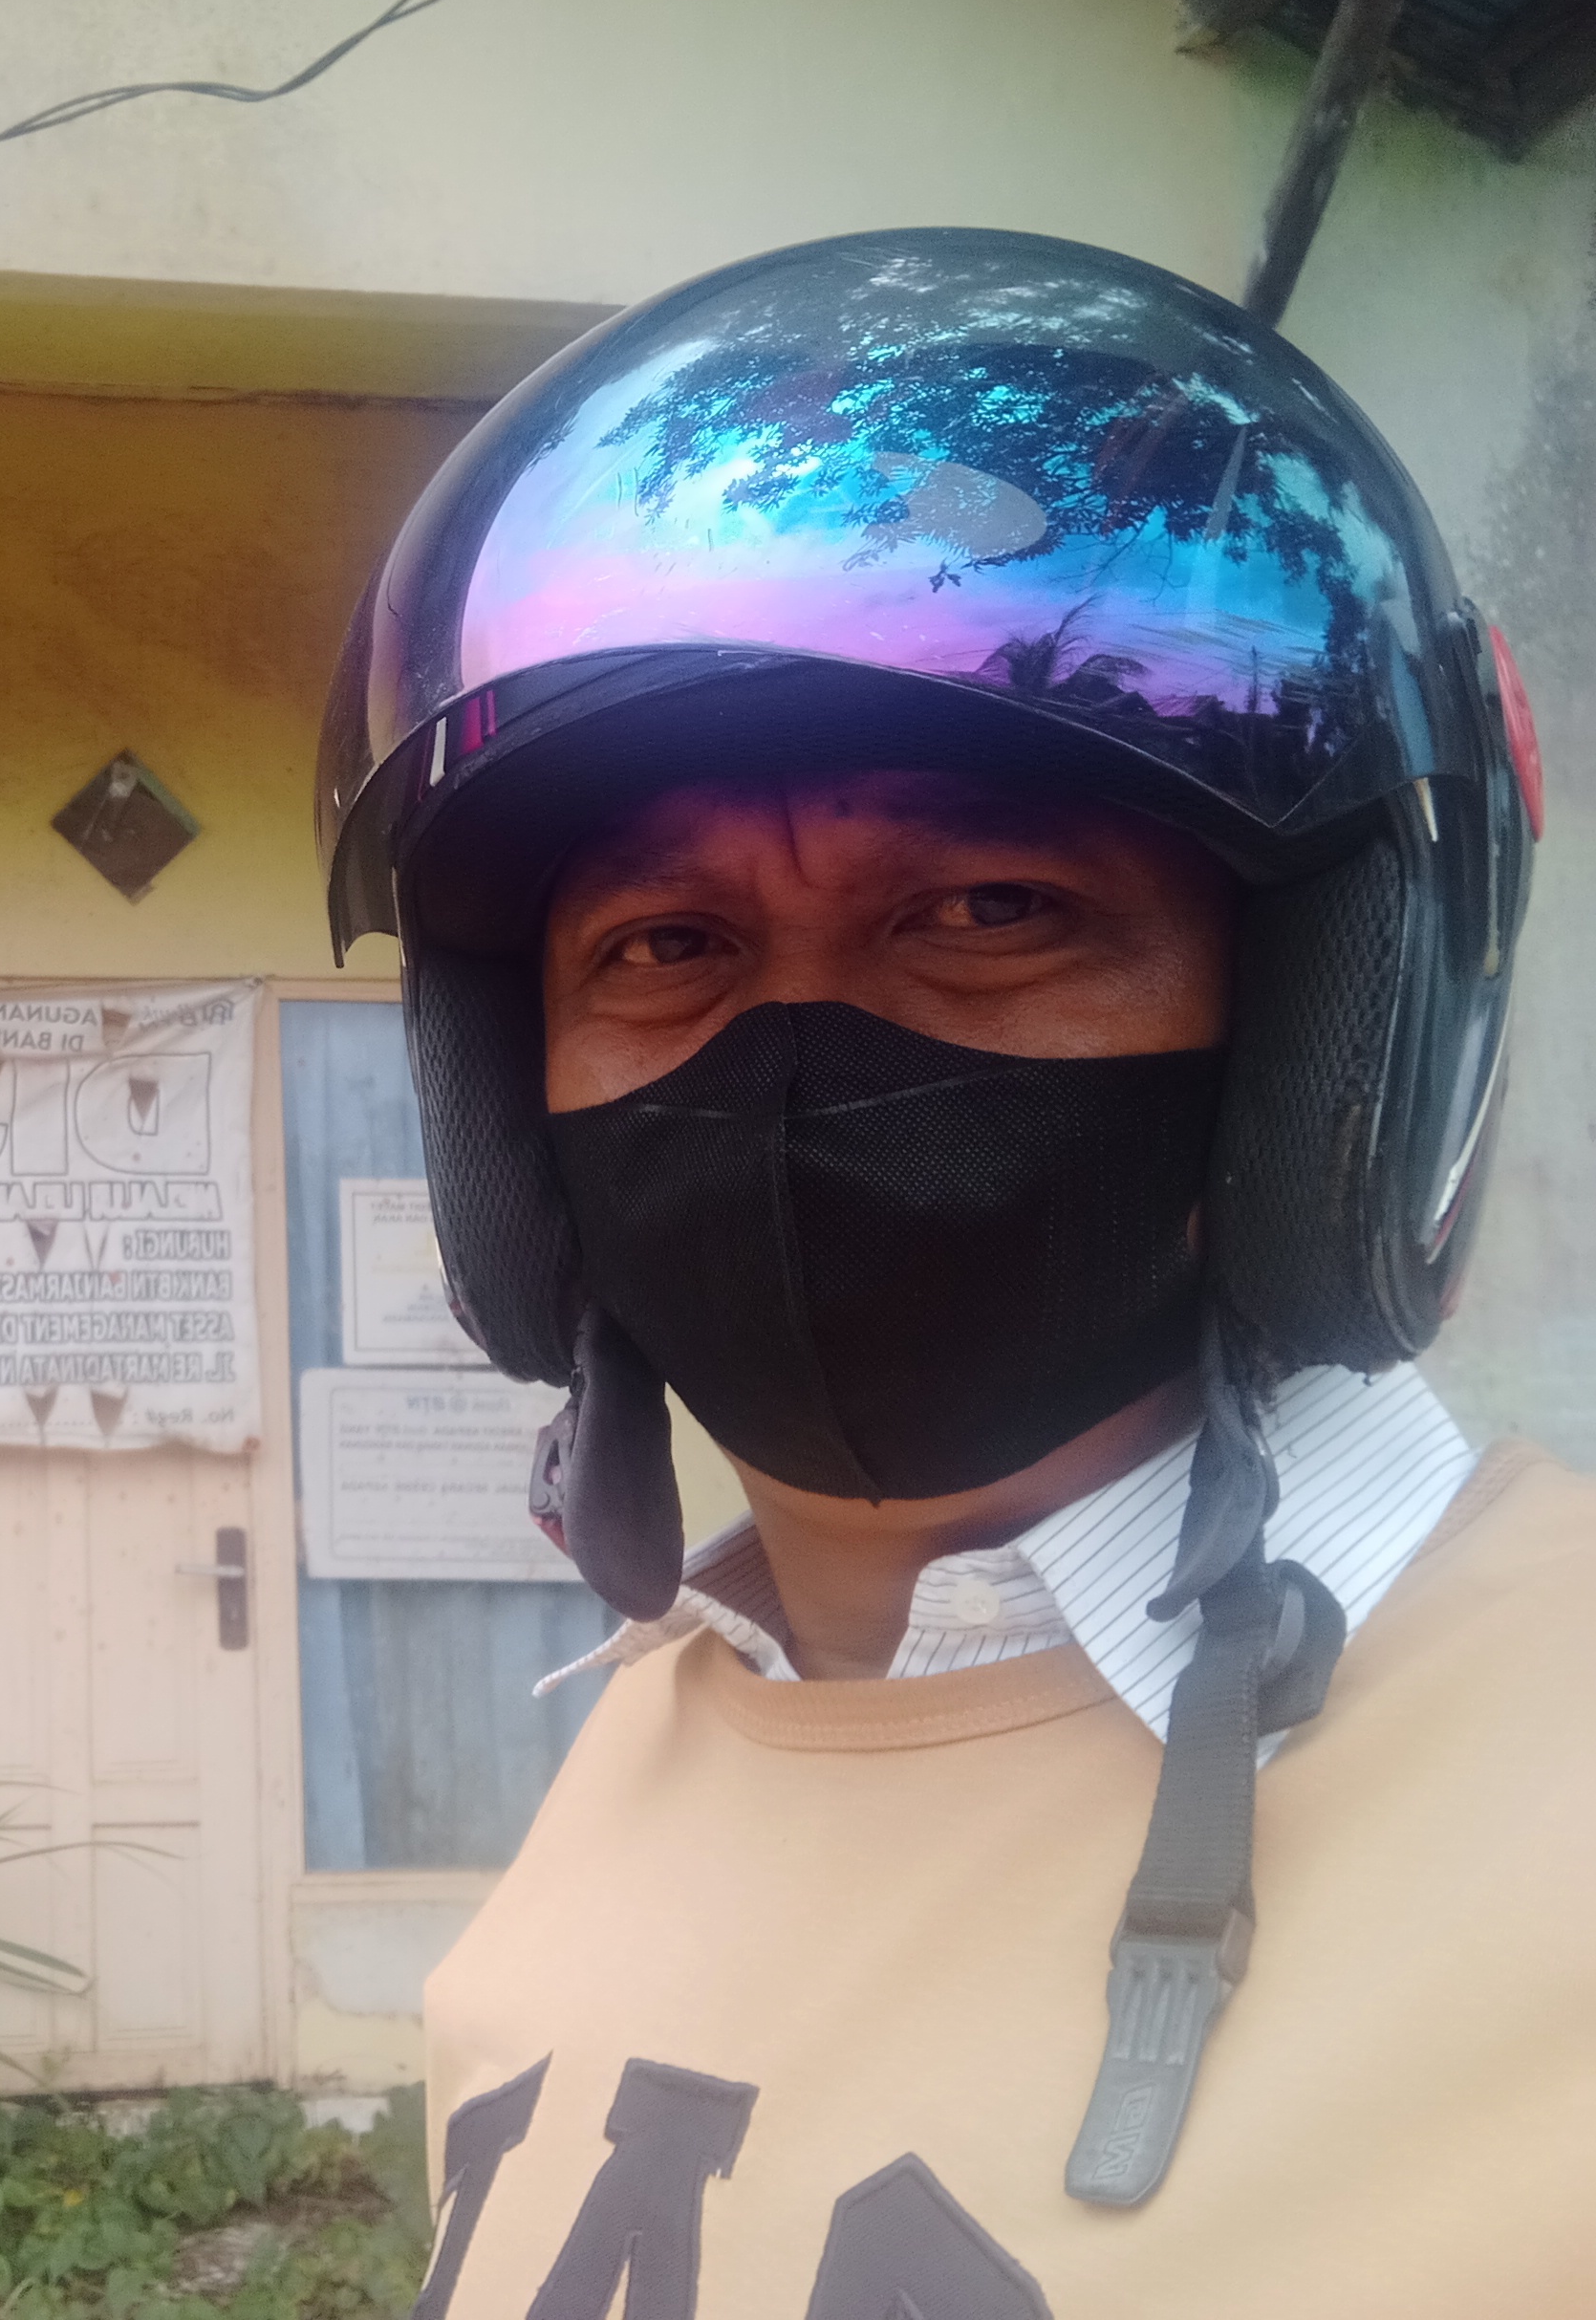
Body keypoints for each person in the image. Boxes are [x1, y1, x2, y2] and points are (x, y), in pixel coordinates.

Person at [314, 229, 1582, 2317]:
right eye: (666, 946)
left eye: (990, 908)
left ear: (1319, 1042)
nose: (797, 1055)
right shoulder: (652, 1744)